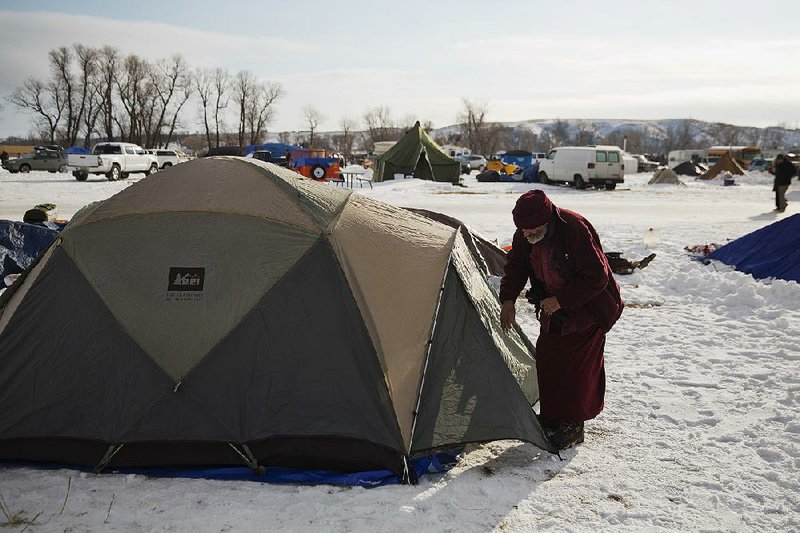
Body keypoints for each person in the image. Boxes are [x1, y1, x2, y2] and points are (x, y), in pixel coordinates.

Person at [499, 190, 623, 450]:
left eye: (533, 231)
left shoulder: (574, 228)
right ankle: (553, 418)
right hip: (556, 308)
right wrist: (508, 299)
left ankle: (573, 426)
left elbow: (596, 277)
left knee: (575, 369)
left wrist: (561, 300)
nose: (527, 236)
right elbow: (517, 266)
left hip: (589, 307)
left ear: (546, 222)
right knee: (549, 358)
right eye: (524, 232)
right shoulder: (525, 234)